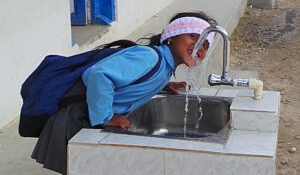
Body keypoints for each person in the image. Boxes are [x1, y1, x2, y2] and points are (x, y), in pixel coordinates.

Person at [31, 11, 217, 174]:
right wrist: (106, 117)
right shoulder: (150, 57)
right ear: (172, 36)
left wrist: (163, 86)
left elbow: (129, 81)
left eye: (205, 45)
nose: (199, 47)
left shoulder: (164, 68)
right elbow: (99, 75)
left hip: (86, 117)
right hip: (77, 119)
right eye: (193, 36)